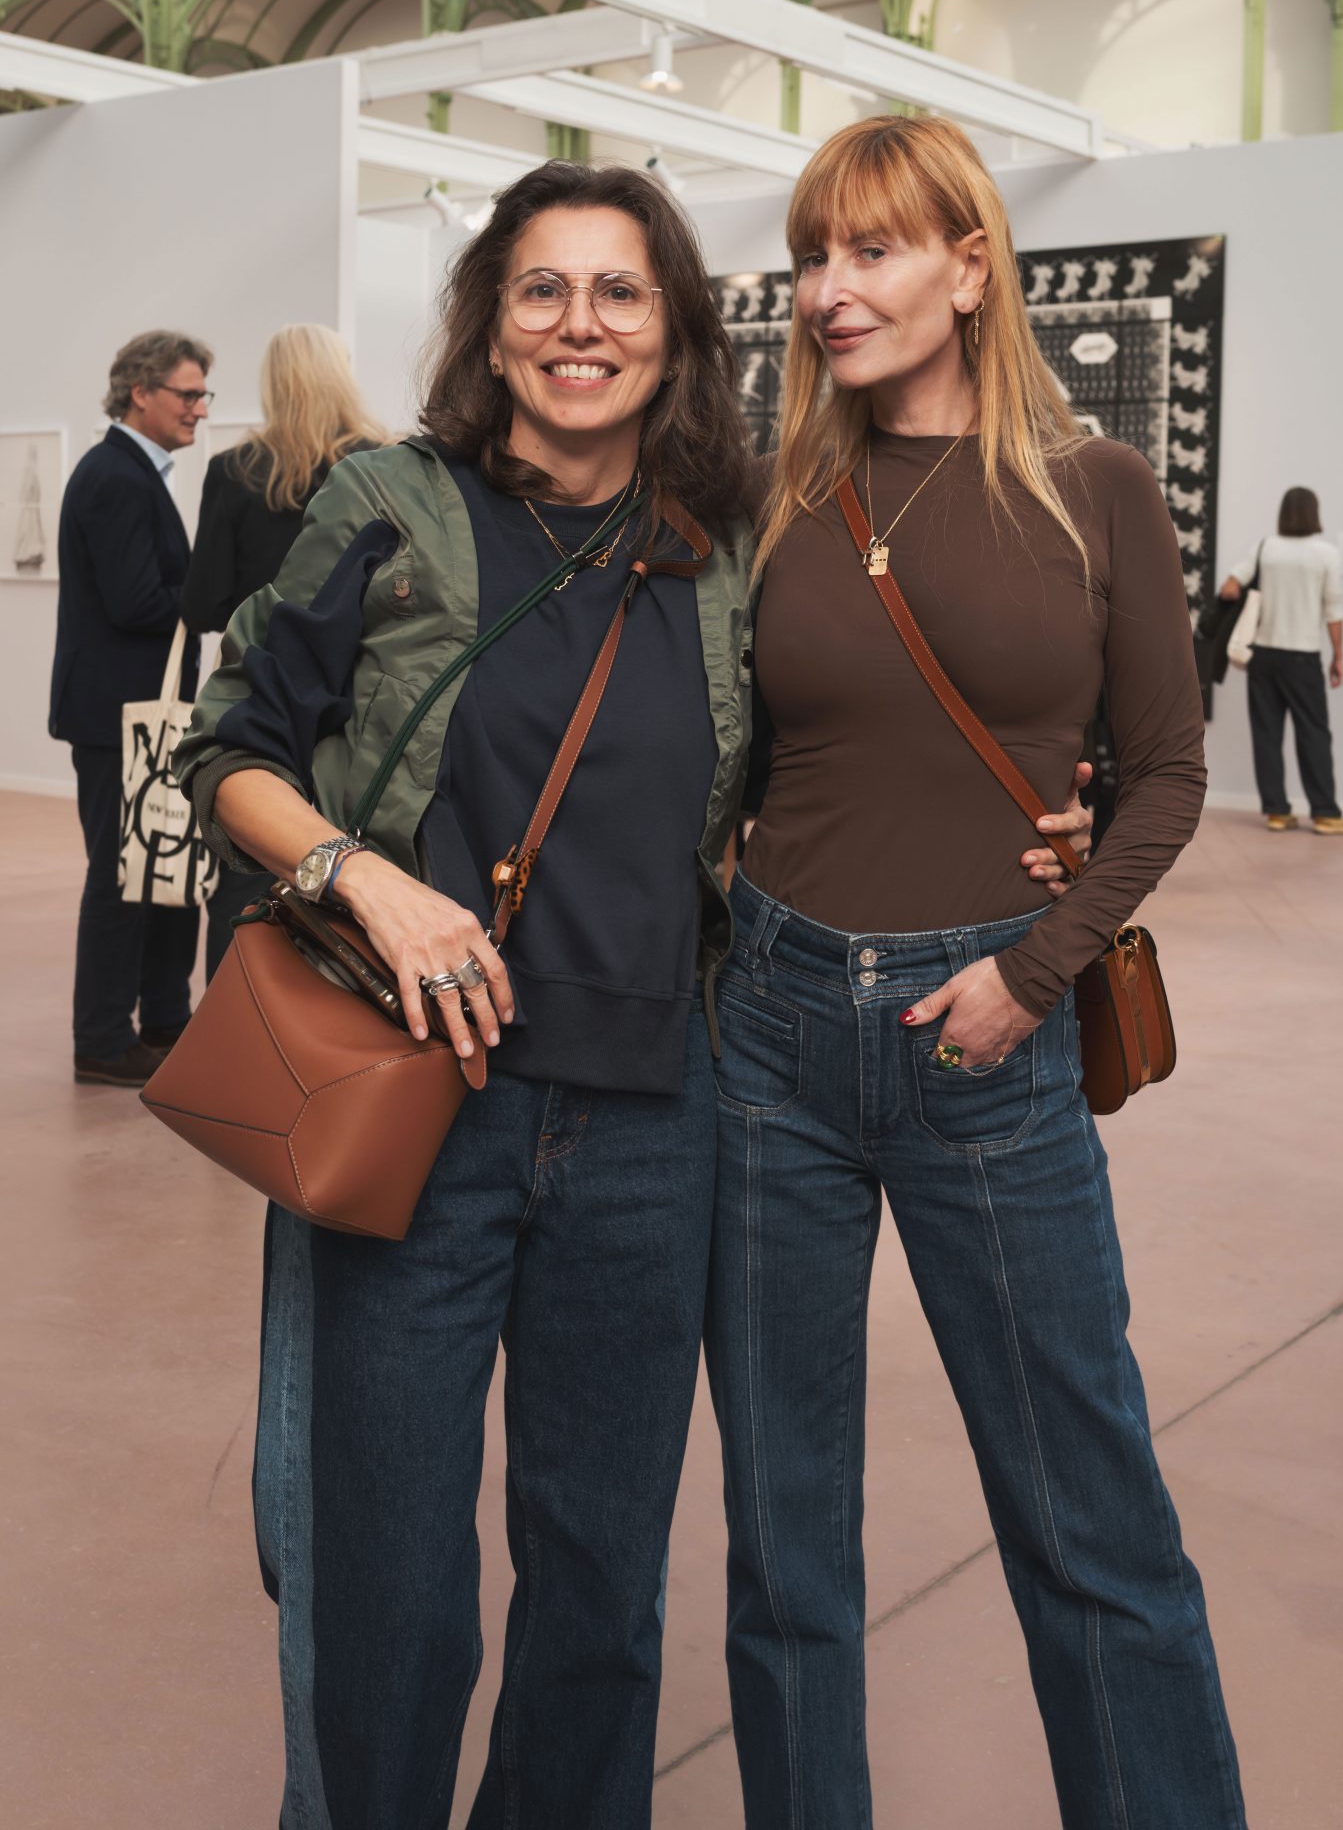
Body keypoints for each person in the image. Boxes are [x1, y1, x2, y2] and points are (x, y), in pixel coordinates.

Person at [173, 159, 1091, 1829]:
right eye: (541, 288)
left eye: (619, 291)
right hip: (416, 1104)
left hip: (652, 1122)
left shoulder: (729, 546)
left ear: (673, 333)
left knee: (600, 1582)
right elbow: (228, 742)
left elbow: (853, 742)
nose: (578, 323)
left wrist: (1053, 821)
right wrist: (363, 876)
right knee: (391, 1576)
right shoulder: (389, 501)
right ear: (490, 324)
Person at [707, 116, 1246, 1830]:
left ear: (966, 266)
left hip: (985, 1039)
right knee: (783, 1536)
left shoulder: (1093, 490)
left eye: (868, 251)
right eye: (810, 256)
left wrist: (1035, 966)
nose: (826, 289)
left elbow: (1166, 771)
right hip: (769, 1035)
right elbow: (721, 757)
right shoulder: (776, 499)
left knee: (1088, 1519)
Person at [180, 322, 388, 977]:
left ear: (273, 382)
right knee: (363, 882)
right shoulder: (386, 466)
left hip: (264, 699)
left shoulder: (234, 471)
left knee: (246, 879)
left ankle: (238, 1027)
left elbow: (203, 604)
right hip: (361, 707)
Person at [50, 330, 212, 1087]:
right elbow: (136, 601)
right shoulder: (116, 476)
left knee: (159, 869)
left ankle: (161, 1020)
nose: (200, 408)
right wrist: (215, 591)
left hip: (134, 709)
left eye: (203, 394)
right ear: (140, 392)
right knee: (123, 878)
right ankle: (102, 1040)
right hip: (118, 714)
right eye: (188, 394)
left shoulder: (129, 470)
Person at [1219, 486, 1343, 833]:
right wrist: (1338, 656)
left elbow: (1229, 588)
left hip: (1262, 656)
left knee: (1267, 732)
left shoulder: (1266, 548)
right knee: (1314, 733)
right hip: (1303, 656)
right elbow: (1333, 610)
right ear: (1313, 512)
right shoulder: (1326, 554)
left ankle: (1277, 812)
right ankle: (1325, 813)